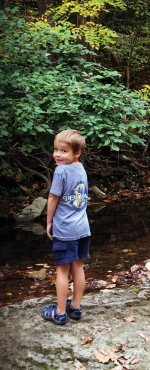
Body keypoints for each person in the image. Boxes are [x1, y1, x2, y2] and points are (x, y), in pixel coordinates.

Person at [41, 129, 90, 325]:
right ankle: (75, 307)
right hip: (82, 228)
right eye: (55, 150)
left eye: (64, 151)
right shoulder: (80, 168)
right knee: (78, 266)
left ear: (77, 153)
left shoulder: (61, 170)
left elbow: (53, 197)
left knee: (62, 270)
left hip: (66, 229)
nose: (57, 155)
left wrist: (49, 221)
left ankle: (60, 313)